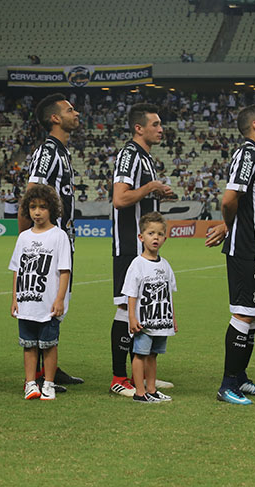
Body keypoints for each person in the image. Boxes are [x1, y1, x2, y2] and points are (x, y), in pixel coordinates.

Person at [205, 104, 255, 405]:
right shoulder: (247, 154)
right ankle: (227, 385)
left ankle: (240, 377)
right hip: (248, 250)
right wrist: (228, 225)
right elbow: (229, 198)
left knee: (254, 315)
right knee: (243, 312)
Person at [20, 93, 84, 390]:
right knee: (48, 304)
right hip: (49, 244)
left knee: (58, 305)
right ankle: (42, 375)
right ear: (55, 118)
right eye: (71, 110)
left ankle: (50, 368)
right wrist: (29, 238)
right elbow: (32, 192)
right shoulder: (48, 151)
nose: (77, 113)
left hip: (63, 241)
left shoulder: (62, 152)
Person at [109, 103, 173, 396]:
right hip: (130, 247)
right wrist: (150, 188)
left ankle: (143, 374)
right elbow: (120, 199)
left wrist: (157, 192)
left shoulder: (146, 159)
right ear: (139, 128)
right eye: (156, 124)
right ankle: (119, 377)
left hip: (144, 249)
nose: (161, 129)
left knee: (143, 308)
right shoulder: (129, 156)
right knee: (126, 307)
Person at [10, 185, 71, 401]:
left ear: (51, 209)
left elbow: (64, 271)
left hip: (48, 304)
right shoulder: (23, 237)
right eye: (33, 207)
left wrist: (60, 299)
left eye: (43, 207)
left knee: (49, 345)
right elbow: (17, 270)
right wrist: (14, 299)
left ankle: (49, 383)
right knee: (28, 346)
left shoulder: (59, 236)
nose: (37, 212)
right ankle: (30, 384)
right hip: (27, 303)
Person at [122, 212, 177, 403]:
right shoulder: (137, 264)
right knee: (140, 355)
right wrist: (131, 317)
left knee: (153, 355)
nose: (156, 237)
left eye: (160, 234)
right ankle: (139, 392)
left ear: (165, 238)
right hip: (144, 322)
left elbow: (168, 296)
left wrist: (173, 320)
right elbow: (131, 293)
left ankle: (152, 390)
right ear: (141, 237)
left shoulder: (166, 265)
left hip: (161, 321)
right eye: (151, 233)